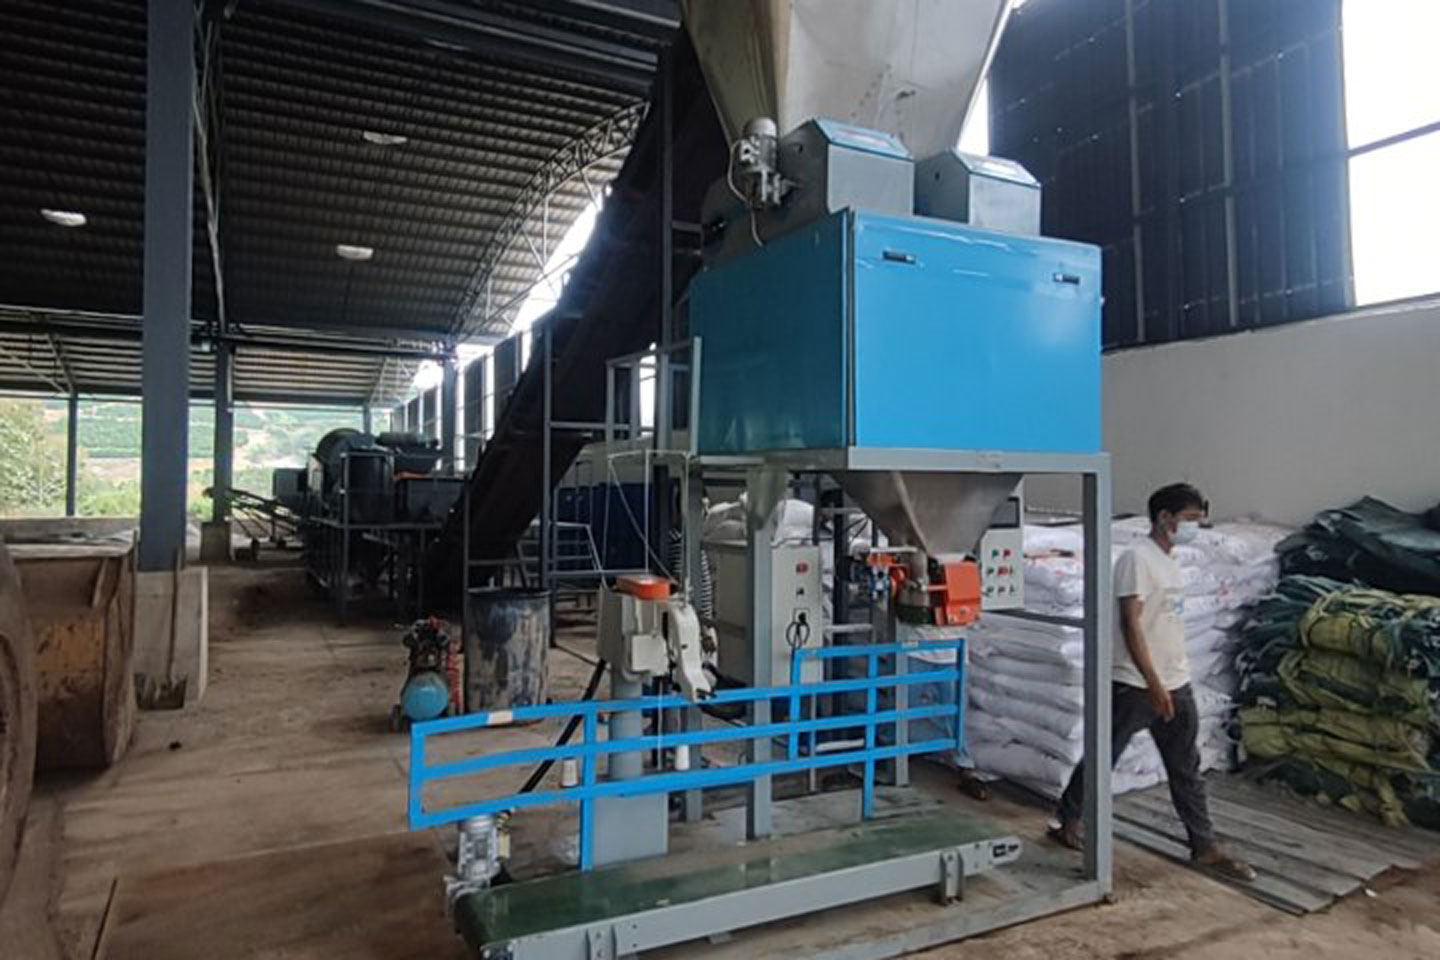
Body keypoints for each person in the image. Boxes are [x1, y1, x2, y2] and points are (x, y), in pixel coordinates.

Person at [1049, 482, 1255, 881]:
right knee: (1104, 756)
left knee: (1186, 767)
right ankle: (1068, 818)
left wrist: (1173, 681)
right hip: (1136, 684)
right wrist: (1154, 684)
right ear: (1164, 517)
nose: (1195, 527)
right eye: (1189, 519)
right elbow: (1132, 624)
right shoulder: (1137, 559)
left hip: (1176, 681)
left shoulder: (1169, 561)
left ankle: (1204, 846)